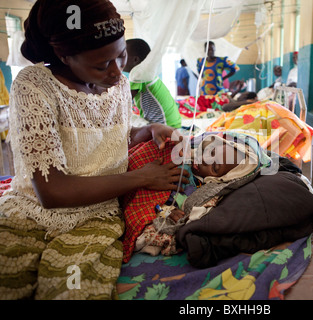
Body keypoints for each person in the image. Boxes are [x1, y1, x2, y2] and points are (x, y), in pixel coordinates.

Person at [0, 0, 189, 300]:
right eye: (102, 65)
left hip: (96, 216)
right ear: (64, 56)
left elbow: (111, 137)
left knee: (72, 290)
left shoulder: (119, 86)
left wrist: (147, 131)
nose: (116, 72)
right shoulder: (35, 87)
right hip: (32, 212)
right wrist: (141, 178)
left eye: (122, 56)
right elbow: (51, 192)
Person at [122, 132, 270, 258]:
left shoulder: (197, 191)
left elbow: (160, 205)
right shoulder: (182, 155)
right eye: (212, 152)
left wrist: (165, 211)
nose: (205, 159)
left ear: (220, 179)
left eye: (215, 167)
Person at [123, 38, 182, 128]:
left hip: (165, 127)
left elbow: (124, 101)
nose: (119, 59)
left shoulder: (138, 74)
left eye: (123, 55)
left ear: (135, 60)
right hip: (173, 123)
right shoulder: (147, 74)